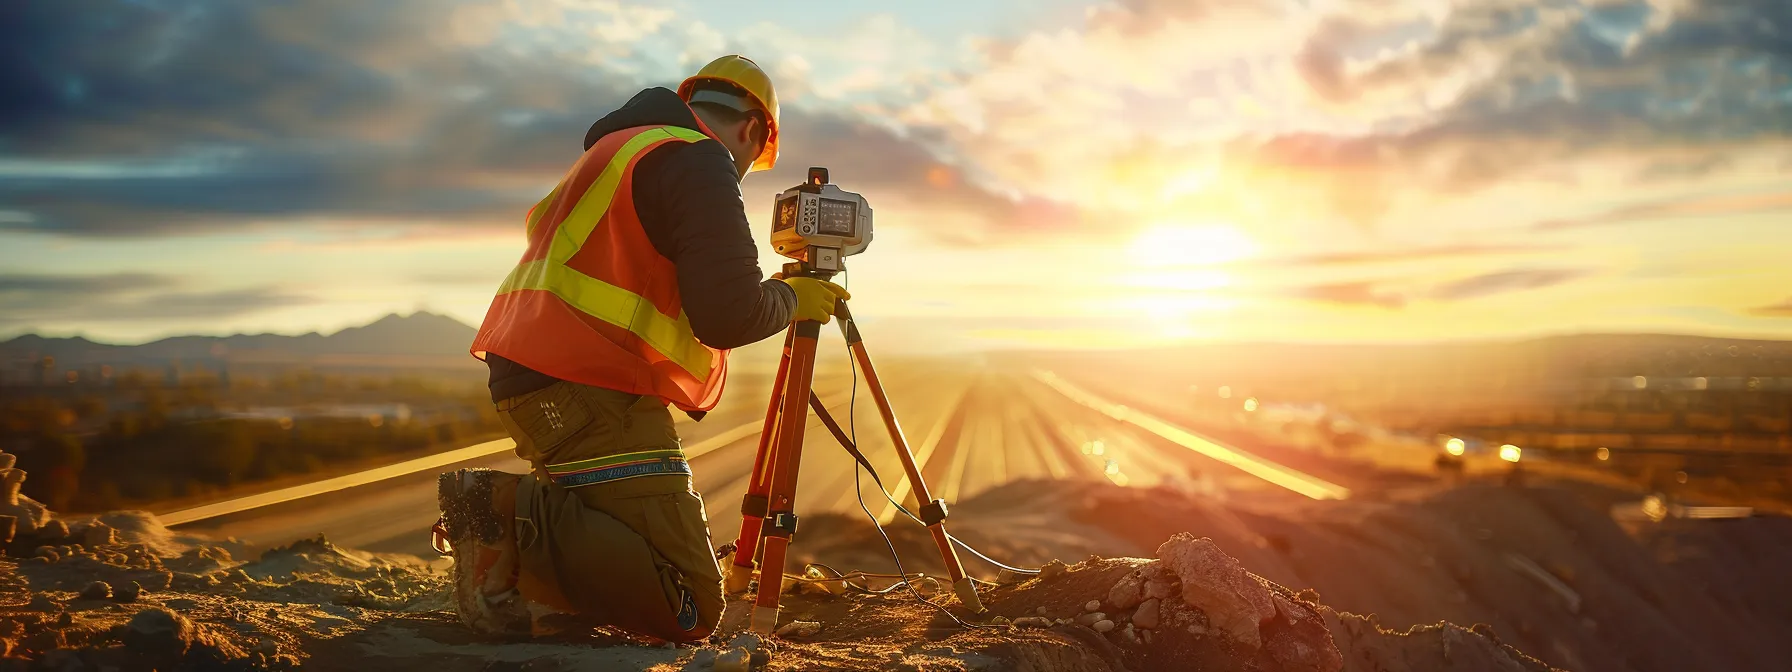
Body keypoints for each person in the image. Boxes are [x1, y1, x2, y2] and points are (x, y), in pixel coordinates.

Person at [433, 55, 851, 641]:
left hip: (533, 371)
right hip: (590, 385)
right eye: (752, 163)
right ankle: (498, 506)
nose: (744, 172)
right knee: (689, 604)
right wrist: (791, 297)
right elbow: (729, 315)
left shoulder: (616, 153)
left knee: (616, 543)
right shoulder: (698, 158)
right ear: (754, 131)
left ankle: (532, 567)